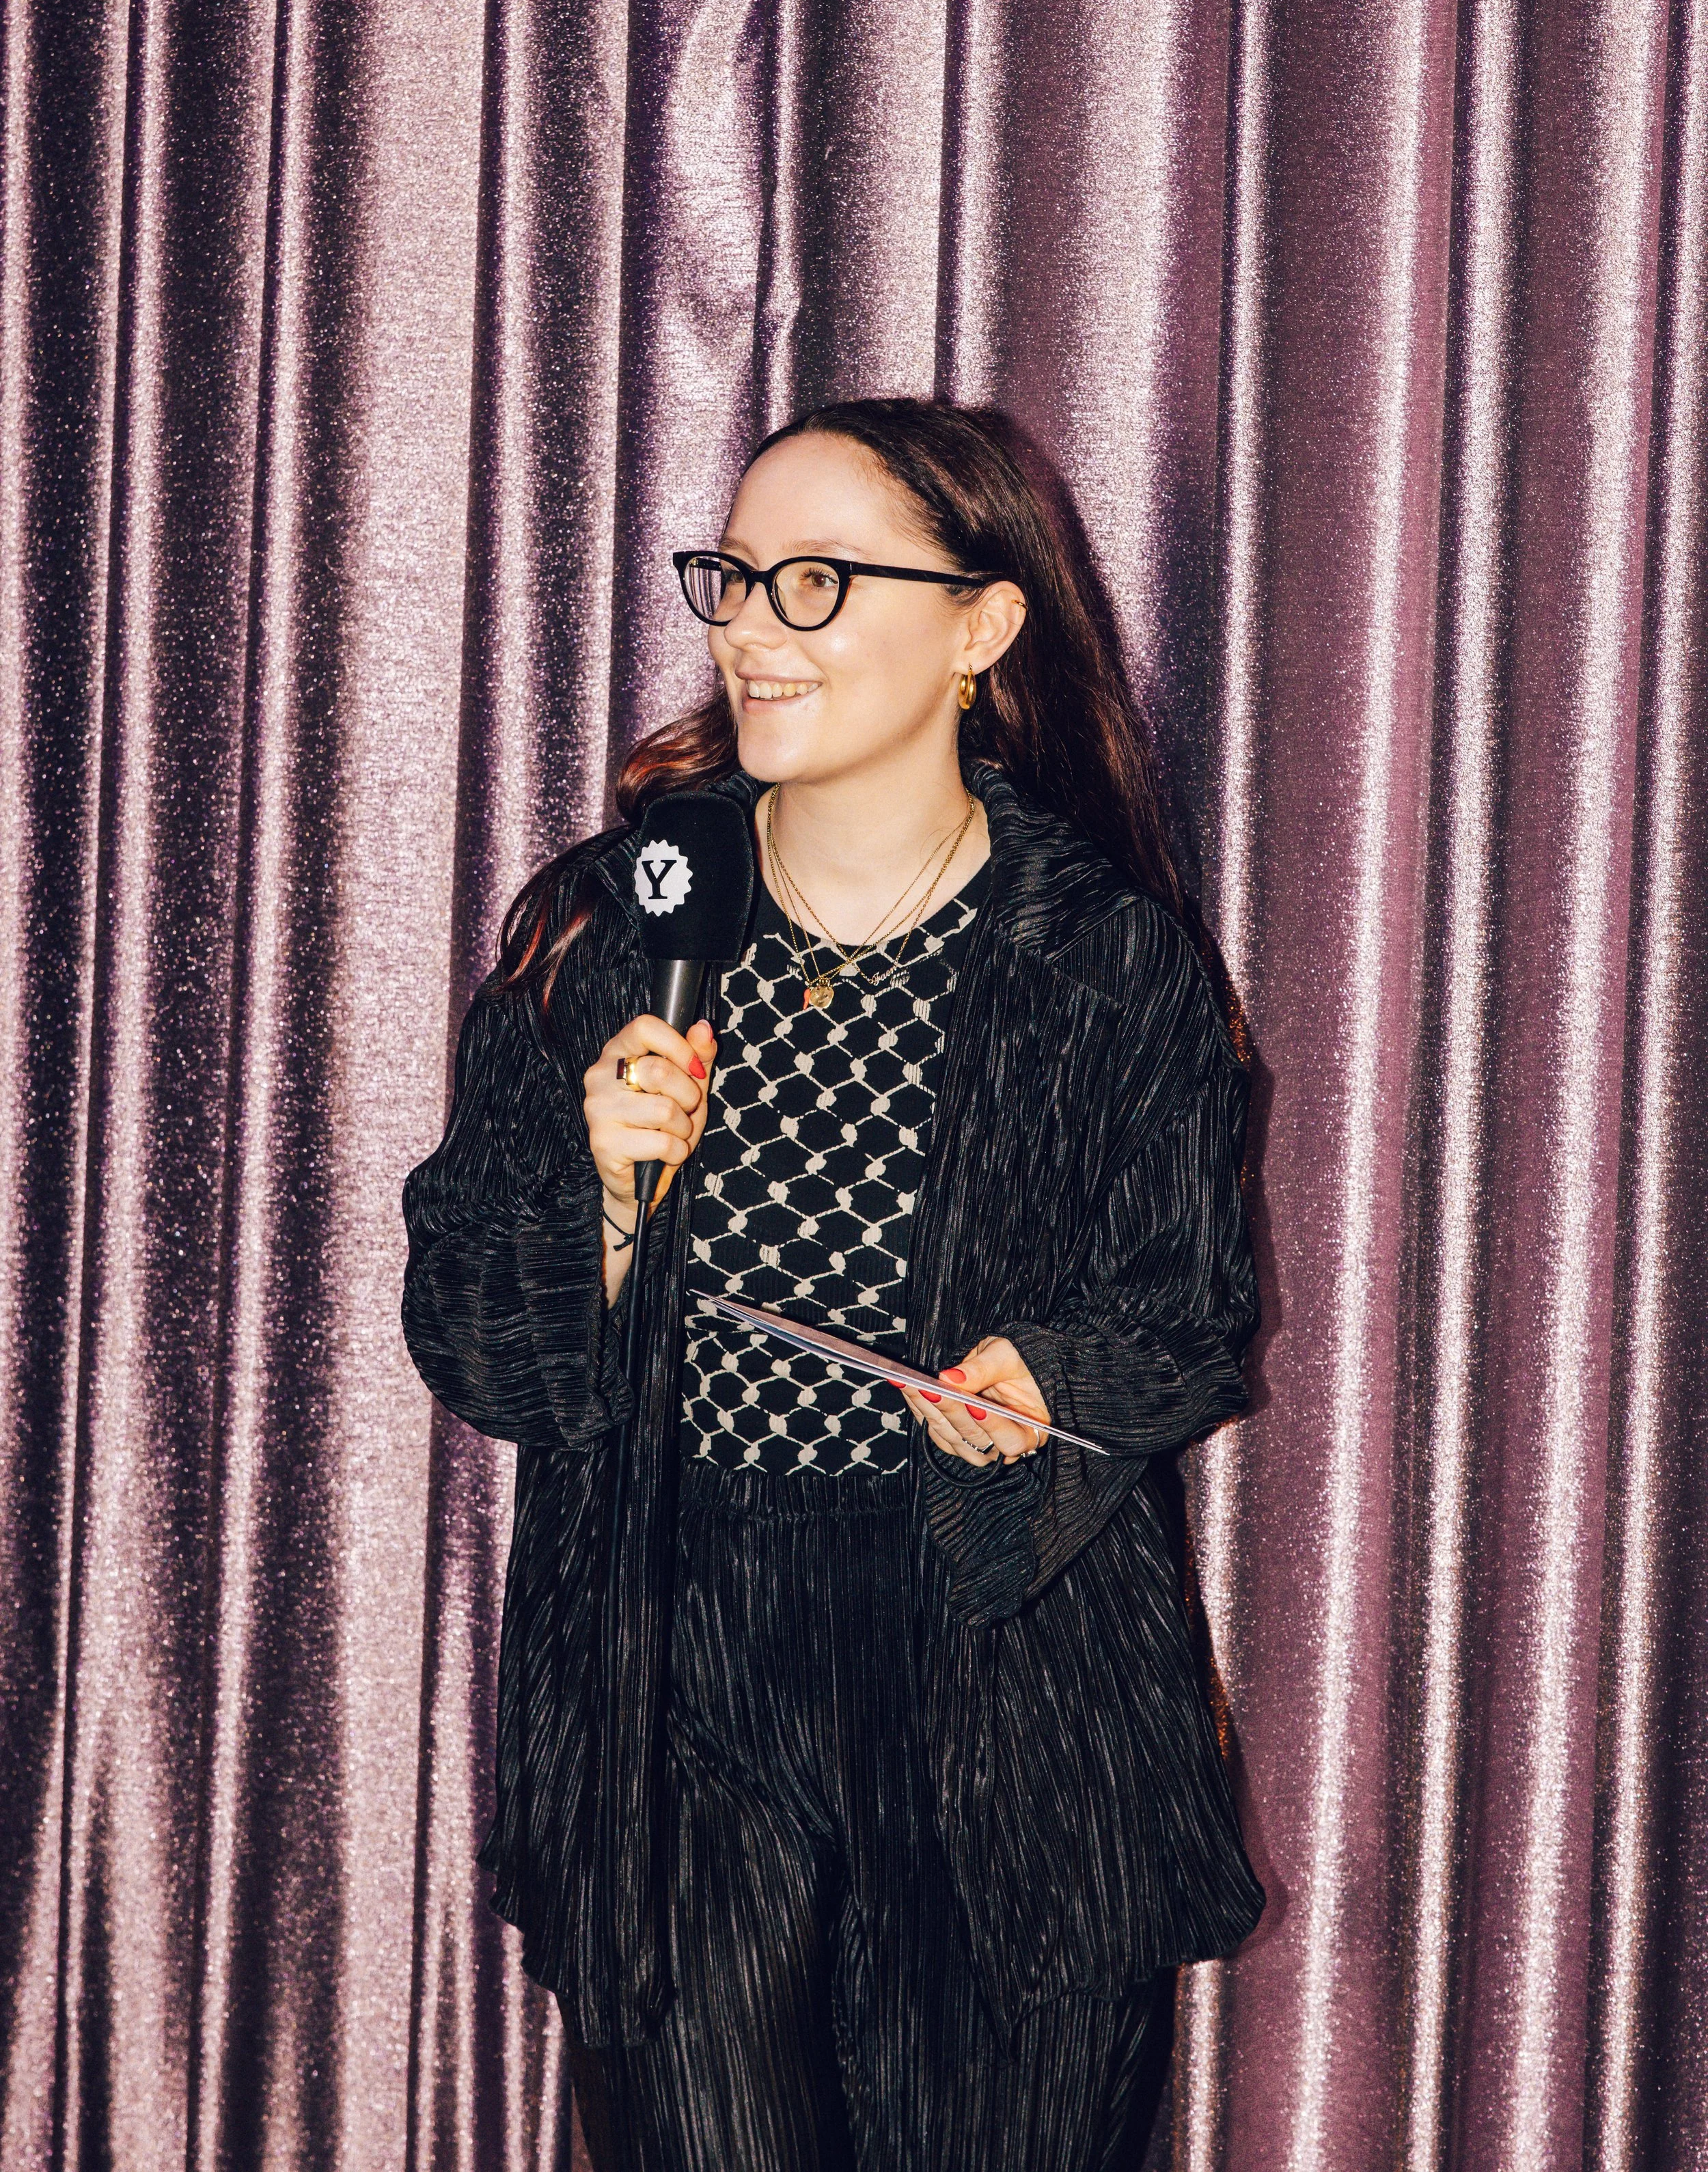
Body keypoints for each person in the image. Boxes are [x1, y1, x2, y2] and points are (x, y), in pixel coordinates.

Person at [401, 397, 1264, 2172]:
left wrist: (1042, 1376)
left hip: (1000, 1684)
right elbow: (471, 1314)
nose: (743, 628)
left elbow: (1189, 1313)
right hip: (673, 1679)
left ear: (980, 624)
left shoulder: (1104, 966)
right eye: (733, 578)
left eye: (813, 582)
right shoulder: (614, 921)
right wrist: (618, 1209)